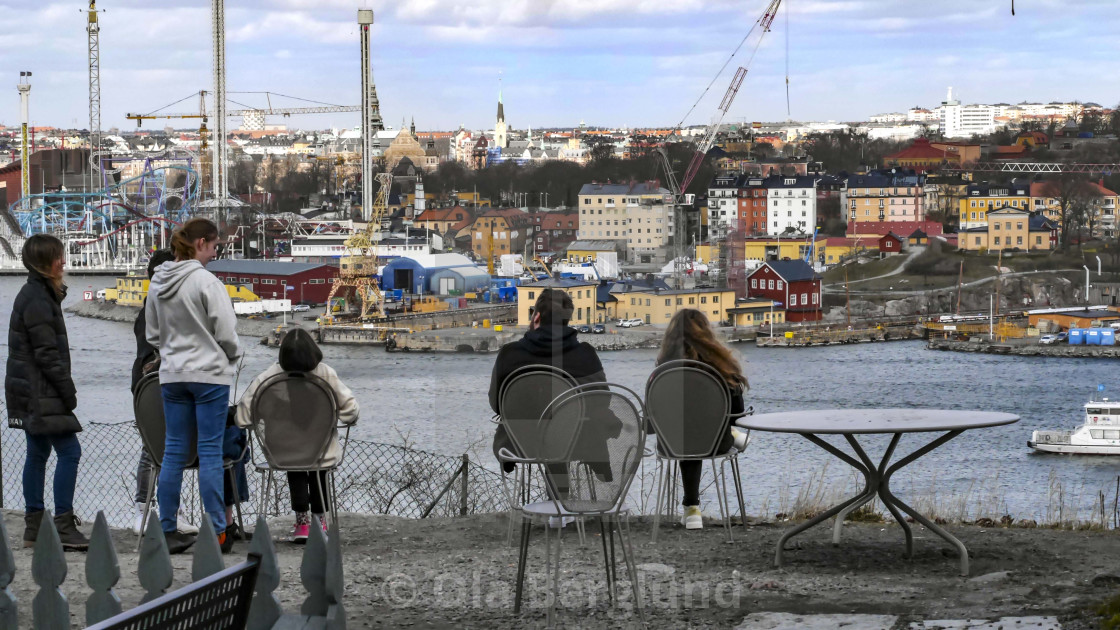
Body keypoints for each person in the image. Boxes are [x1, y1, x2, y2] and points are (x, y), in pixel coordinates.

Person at [146, 218, 241, 554]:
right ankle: (216, 530)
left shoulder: (158, 282)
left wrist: (172, 350)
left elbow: (153, 334)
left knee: (172, 452)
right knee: (211, 452)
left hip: (173, 375)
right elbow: (227, 331)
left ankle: (168, 528)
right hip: (209, 376)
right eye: (215, 247)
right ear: (201, 243)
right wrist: (231, 355)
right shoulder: (206, 282)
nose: (215, 254)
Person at [5, 235, 89, 551]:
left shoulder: (35, 294)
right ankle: (64, 525)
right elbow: (47, 354)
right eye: (59, 257)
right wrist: (68, 393)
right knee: (70, 451)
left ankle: (34, 527)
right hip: (42, 391)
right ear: (46, 263)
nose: (64, 262)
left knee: (37, 454)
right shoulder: (38, 299)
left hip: (28, 389)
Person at [236, 328, 358, 543]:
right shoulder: (325, 373)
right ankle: (320, 520)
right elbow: (351, 412)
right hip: (321, 453)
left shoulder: (267, 377)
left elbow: (243, 419)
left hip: (282, 453)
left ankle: (302, 523)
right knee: (318, 467)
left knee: (296, 465)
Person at [654, 308, 749, 531]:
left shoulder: (661, 372)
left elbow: (652, 422)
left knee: (687, 433)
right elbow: (737, 415)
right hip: (716, 441)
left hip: (672, 442)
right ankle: (733, 437)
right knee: (700, 431)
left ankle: (692, 508)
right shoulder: (721, 368)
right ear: (707, 333)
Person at [130, 248, 199, 536]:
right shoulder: (155, 309)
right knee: (154, 447)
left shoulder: (157, 305)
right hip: (154, 384)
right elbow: (153, 351)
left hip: (159, 381)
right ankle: (143, 508)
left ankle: (169, 509)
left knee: (167, 447)